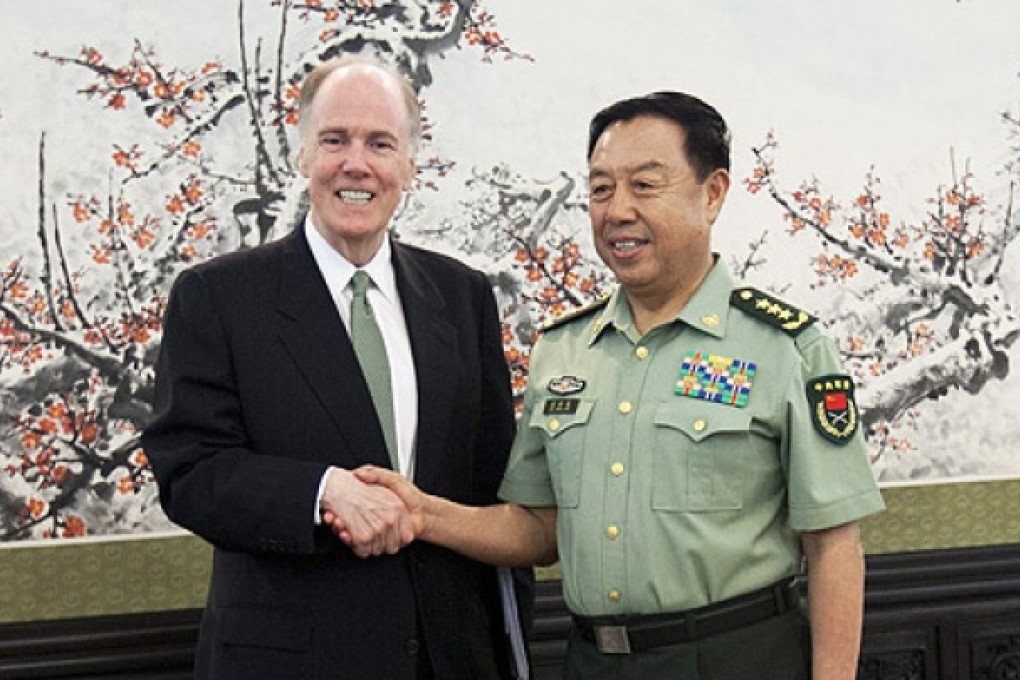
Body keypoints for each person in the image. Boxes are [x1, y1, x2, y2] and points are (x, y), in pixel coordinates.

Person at [343, 91, 886, 679]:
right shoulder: (563, 349)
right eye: (601, 189)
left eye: (645, 185)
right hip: (592, 661)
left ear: (713, 194)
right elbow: (537, 527)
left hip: (738, 656)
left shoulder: (785, 346)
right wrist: (427, 516)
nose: (617, 210)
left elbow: (833, 544)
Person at [142, 54, 531, 679]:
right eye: (335, 140)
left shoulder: (462, 297)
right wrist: (322, 491)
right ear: (302, 154)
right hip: (292, 663)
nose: (357, 163)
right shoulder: (218, 298)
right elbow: (190, 472)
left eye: (381, 143)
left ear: (409, 163)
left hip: (450, 658)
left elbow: (493, 482)